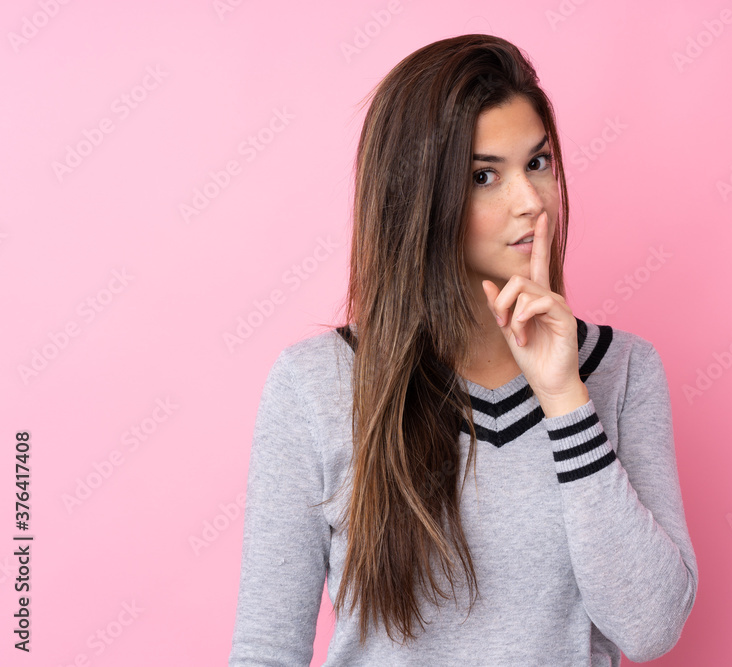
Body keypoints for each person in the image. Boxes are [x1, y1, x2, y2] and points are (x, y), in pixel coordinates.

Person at [229, 33, 697, 666]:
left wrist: (564, 398)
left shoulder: (623, 370)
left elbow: (650, 629)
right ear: (418, 196)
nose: (530, 201)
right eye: (484, 176)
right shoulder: (317, 385)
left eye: (538, 163)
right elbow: (266, 650)